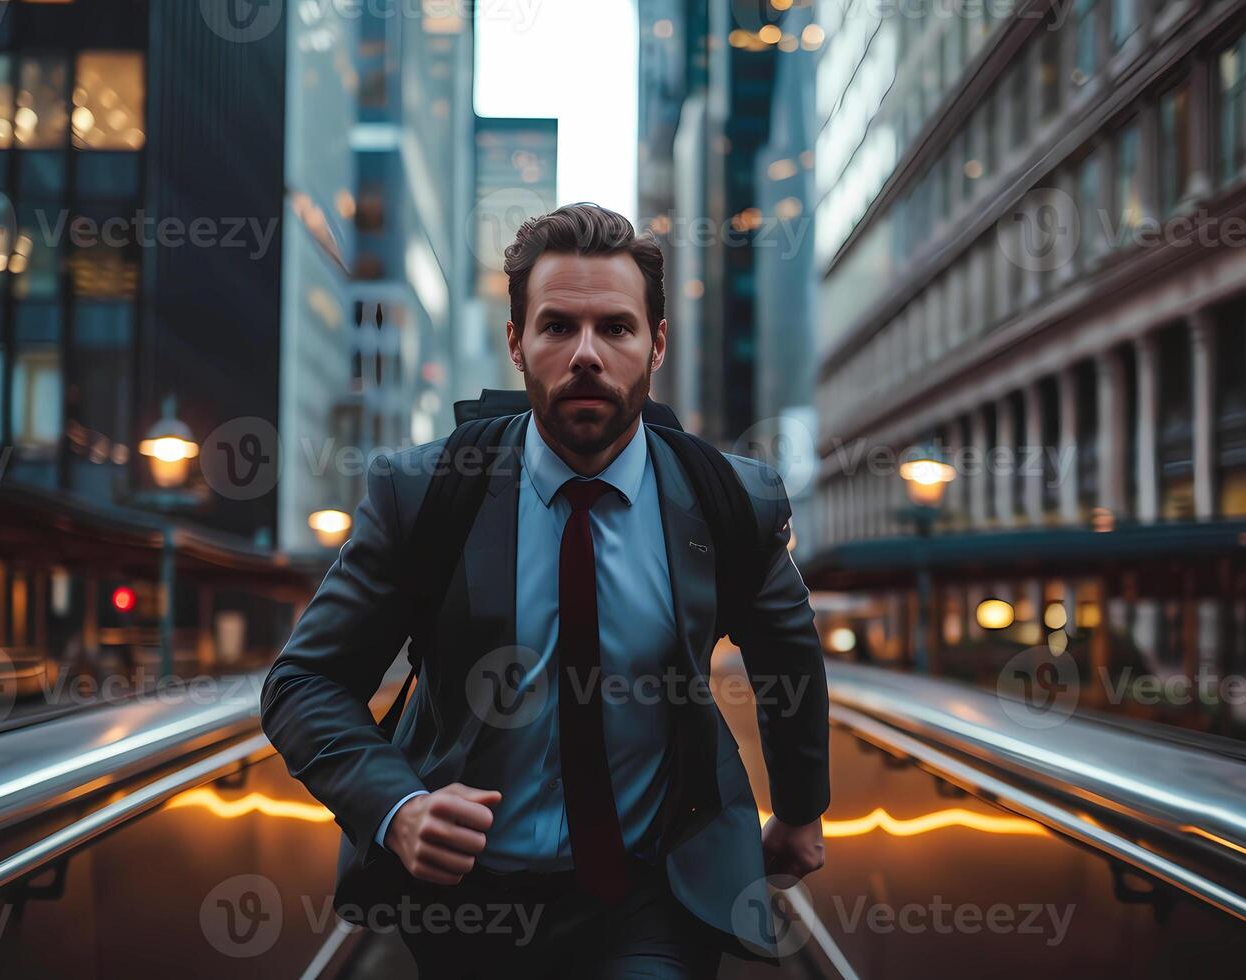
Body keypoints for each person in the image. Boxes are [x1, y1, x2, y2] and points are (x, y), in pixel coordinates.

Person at [261, 203, 830, 978]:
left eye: (617, 329)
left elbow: (788, 662)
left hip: (652, 891)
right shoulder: (425, 491)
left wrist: (800, 810)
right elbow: (305, 681)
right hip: (471, 901)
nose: (587, 355)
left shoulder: (732, 501)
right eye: (558, 327)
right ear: (516, 344)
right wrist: (398, 810)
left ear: (656, 344)